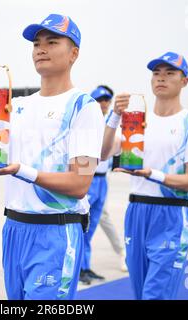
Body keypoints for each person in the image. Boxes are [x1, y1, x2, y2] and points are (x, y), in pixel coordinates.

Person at [0, 14, 104, 300]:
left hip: (56, 231)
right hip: (15, 230)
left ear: (74, 54)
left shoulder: (83, 107)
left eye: (52, 41)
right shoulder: (14, 107)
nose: (41, 49)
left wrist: (22, 170)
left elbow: (80, 183)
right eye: (36, 44)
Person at [101, 52, 188, 300]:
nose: (161, 78)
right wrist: (114, 116)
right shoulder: (137, 122)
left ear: (184, 81)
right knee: (140, 292)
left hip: (171, 214)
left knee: (156, 295)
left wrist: (153, 174)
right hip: (137, 212)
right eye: (156, 73)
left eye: (169, 73)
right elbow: (103, 152)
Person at [80, 85, 126, 285]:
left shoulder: (111, 123)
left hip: (102, 181)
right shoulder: (87, 123)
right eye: (100, 100)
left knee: (91, 228)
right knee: (81, 226)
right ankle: (79, 268)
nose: (104, 104)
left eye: (107, 100)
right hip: (88, 178)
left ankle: (85, 267)